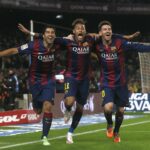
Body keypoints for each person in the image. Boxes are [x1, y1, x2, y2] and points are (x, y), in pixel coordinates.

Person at [18, 20, 141, 144]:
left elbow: (109, 35)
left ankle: (70, 132)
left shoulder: (91, 39)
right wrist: (31, 33)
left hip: (85, 79)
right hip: (71, 76)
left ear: (85, 30)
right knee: (70, 101)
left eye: (82, 28)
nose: (80, 30)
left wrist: (127, 37)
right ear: (74, 31)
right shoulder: (67, 41)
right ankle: (67, 110)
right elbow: (49, 37)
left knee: (81, 107)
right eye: (78, 28)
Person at [0, 25, 59, 146]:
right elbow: (15, 50)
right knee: (37, 110)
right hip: (34, 80)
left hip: (49, 80)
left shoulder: (58, 44)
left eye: (53, 32)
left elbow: (74, 40)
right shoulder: (34, 45)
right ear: (43, 35)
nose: (50, 34)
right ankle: (35, 103)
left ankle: (44, 136)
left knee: (47, 106)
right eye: (48, 32)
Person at [94, 20, 150, 143]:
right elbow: (84, 39)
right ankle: (109, 124)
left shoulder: (120, 42)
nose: (108, 31)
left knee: (120, 111)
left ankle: (116, 131)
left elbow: (137, 46)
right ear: (100, 33)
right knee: (108, 108)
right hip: (106, 83)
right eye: (104, 29)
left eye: (109, 29)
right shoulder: (96, 45)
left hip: (121, 84)